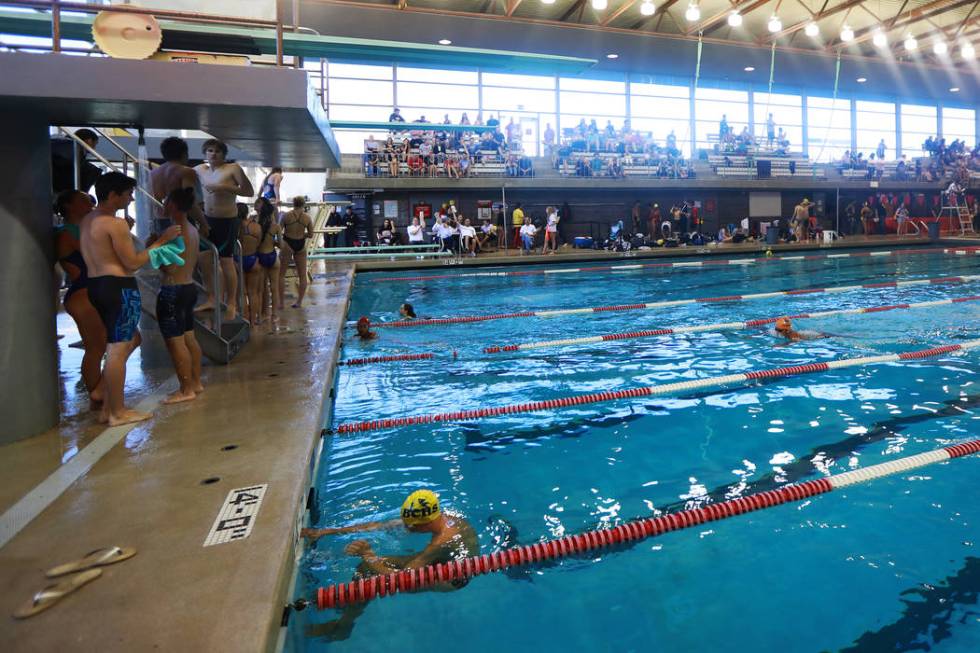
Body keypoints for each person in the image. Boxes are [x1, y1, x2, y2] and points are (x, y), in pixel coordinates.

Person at [301, 489, 478, 641]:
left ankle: (343, 627)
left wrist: (369, 555)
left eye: (411, 526)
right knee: (366, 568)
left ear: (426, 523)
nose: (407, 529)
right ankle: (352, 605)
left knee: (372, 574)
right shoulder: (438, 517)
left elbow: (403, 579)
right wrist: (325, 532)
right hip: (443, 559)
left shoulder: (440, 542)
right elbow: (378, 526)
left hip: (449, 578)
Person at [80, 172, 181, 425]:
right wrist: (161, 241)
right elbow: (133, 263)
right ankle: (116, 412)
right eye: (127, 194)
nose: (130, 198)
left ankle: (104, 395)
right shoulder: (115, 224)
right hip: (119, 287)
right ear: (113, 195)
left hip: (96, 285)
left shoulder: (89, 220)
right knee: (118, 348)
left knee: (131, 338)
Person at [54, 190, 106, 409]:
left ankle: (99, 391)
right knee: (96, 347)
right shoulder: (66, 233)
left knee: (106, 345)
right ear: (69, 206)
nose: (90, 204)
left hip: (91, 290)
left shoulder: (83, 229)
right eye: (84, 201)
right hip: (82, 293)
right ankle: (97, 394)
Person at [194, 138, 253, 320]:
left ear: (223, 154)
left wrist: (224, 187)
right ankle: (212, 297)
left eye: (217, 151)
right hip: (207, 219)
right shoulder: (199, 169)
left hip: (227, 220)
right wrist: (147, 163)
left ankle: (232, 302)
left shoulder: (232, 169)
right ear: (205, 153)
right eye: (210, 151)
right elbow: (178, 171)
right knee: (204, 259)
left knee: (226, 261)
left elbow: (248, 192)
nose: (213, 154)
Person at [155, 187, 203, 404]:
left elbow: (171, 268)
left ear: (173, 205)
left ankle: (186, 389)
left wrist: (153, 248)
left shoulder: (176, 231)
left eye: (166, 200)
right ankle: (196, 383)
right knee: (189, 337)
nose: (163, 204)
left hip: (173, 290)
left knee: (176, 342)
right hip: (189, 287)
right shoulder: (191, 228)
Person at [149, 136, 204, 235]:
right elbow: (190, 202)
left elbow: (152, 201)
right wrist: (203, 223)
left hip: (159, 220)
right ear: (184, 154)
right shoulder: (186, 171)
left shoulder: (154, 173)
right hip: (180, 220)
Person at [278, 196, 314, 309]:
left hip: (288, 244)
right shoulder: (307, 218)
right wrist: (302, 235)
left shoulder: (286, 216)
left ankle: (281, 303)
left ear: (293, 204)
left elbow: (278, 231)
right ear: (304, 204)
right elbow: (311, 234)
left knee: (281, 275)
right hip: (301, 245)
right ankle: (299, 302)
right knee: (302, 275)